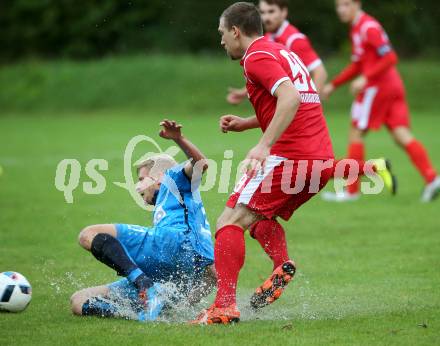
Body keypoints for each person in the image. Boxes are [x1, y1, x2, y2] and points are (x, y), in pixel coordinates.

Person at [191, 2, 334, 325]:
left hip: (291, 157)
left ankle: (224, 307)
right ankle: (281, 265)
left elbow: (291, 98)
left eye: (222, 34)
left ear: (235, 31)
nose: (221, 41)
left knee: (228, 221)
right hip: (321, 161)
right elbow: (291, 102)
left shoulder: (255, 57)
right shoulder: (281, 52)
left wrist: (263, 145)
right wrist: (246, 123)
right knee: (257, 216)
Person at [70, 120, 216, 321]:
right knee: (79, 300)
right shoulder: (190, 216)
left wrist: (178, 139)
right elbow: (212, 276)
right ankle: (141, 312)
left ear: (159, 176)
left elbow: (201, 164)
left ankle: (143, 284)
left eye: (141, 179)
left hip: (168, 242)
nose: (137, 187)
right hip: (172, 273)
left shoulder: (173, 179)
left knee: (88, 234)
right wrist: (181, 306)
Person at [321, 0, 440, 202]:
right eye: (338, 6)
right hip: (392, 86)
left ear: (357, 4)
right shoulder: (358, 28)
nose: (341, 10)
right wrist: (334, 84)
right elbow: (358, 64)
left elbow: (390, 57)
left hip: (378, 88)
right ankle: (432, 178)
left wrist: (366, 78)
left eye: (346, 4)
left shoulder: (368, 28)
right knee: (401, 135)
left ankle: (351, 192)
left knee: (356, 132)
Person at [227, 0, 327, 105]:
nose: (266, 18)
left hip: (296, 112)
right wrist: (243, 93)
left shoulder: (294, 40)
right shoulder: (269, 38)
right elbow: (270, 75)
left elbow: (320, 73)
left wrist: (309, 106)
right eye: (262, 12)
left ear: (284, 12)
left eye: (271, 12)